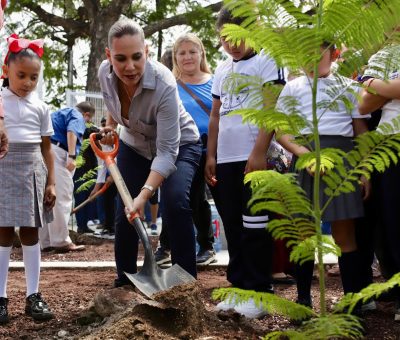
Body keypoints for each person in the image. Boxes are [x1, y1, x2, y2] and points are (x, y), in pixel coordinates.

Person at [98, 19, 201, 287]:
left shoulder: (164, 82)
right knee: (125, 210)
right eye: (120, 59)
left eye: (136, 57)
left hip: (179, 145)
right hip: (135, 145)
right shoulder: (104, 74)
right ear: (109, 55)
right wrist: (110, 127)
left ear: (147, 51)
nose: (129, 67)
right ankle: (125, 280)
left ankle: (184, 281)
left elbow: (167, 151)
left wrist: (144, 195)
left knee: (175, 200)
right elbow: (113, 104)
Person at [276, 42, 370, 310]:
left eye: (317, 53)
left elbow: (359, 130)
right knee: (304, 233)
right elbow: (281, 130)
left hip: (342, 161)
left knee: (344, 234)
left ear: (334, 54)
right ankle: (304, 301)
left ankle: (352, 306)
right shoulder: (292, 88)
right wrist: (303, 153)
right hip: (305, 159)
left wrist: (363, 171)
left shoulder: (349, 86)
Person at [204, 8, 286, 318]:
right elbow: (215, 115)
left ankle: (259, 291)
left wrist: (258, 153)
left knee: (255, 225)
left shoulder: (267, 61)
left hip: (253, 158)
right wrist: (210, 155)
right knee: (233, 227)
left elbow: (271, 109)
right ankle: (238, 288)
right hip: (225, 159)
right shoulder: (222, 70)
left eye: (239, 38)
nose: (233, 45)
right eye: (225, 39)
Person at [0, 34, 55, 323]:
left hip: (33, 169)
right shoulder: (0, 103)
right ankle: (0, 297)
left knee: (31, 232)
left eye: (33, 77)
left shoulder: (41, 107)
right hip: (3, 167)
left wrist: (52, 182)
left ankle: (33, 296)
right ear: (5, 70)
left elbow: (47, 149)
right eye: (21, 75)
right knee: (4, 232)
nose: (27, 82)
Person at [358, 44, 400, 319]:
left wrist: (372, 82)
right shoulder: (382, 56)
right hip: (387, 146)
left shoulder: (374, 69)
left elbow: (374, 94)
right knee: (392, 222)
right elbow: (364, 104)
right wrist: (389, 89)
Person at [39, 102, 92, 253]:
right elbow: (72, 131)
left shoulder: (58, 114)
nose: (86, 124)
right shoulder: (76, 115)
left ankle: (46, 241)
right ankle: (61, 241)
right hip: (57, 152)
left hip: (43, 151)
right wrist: (72, 155)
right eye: (87, 121)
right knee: (61, 196)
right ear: (86, 115)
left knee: (45, 197)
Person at [72, 103, 99, 234]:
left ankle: (85, 224)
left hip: (88, 167)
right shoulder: (80, 126)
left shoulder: (92, 129)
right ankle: (81, 225)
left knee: (89, 197)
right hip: (79, 168)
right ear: (87, 115)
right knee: (80, 196)